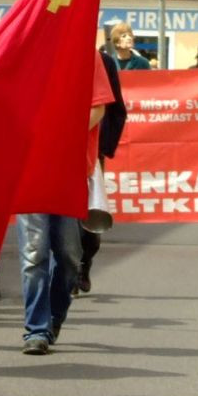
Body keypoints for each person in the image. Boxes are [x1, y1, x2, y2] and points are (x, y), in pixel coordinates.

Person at [16, 50, 114, 355]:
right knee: (34, 255)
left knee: (70, 257)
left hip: (70, 171)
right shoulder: (28, 47)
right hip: (31, 169)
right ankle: (36, 329)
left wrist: (61, 134)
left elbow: (98, 108)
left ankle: (54, 318)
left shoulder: (87, 54)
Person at [76, 49, 126, 295]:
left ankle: (83, 262)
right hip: (55, 152)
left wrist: (101, 148)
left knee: (89, 212)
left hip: (91, 152)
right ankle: (67, 269)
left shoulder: (102, 61)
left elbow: (116, 109)